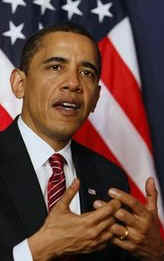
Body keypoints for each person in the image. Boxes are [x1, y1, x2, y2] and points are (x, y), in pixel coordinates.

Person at [0, 23, 163, 261]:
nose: (73, 83)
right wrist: (35, 252)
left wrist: (155, 254)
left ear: (95, 98)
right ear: (19, 84)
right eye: (56, 67)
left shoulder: (110, 179)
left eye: (86, 72)